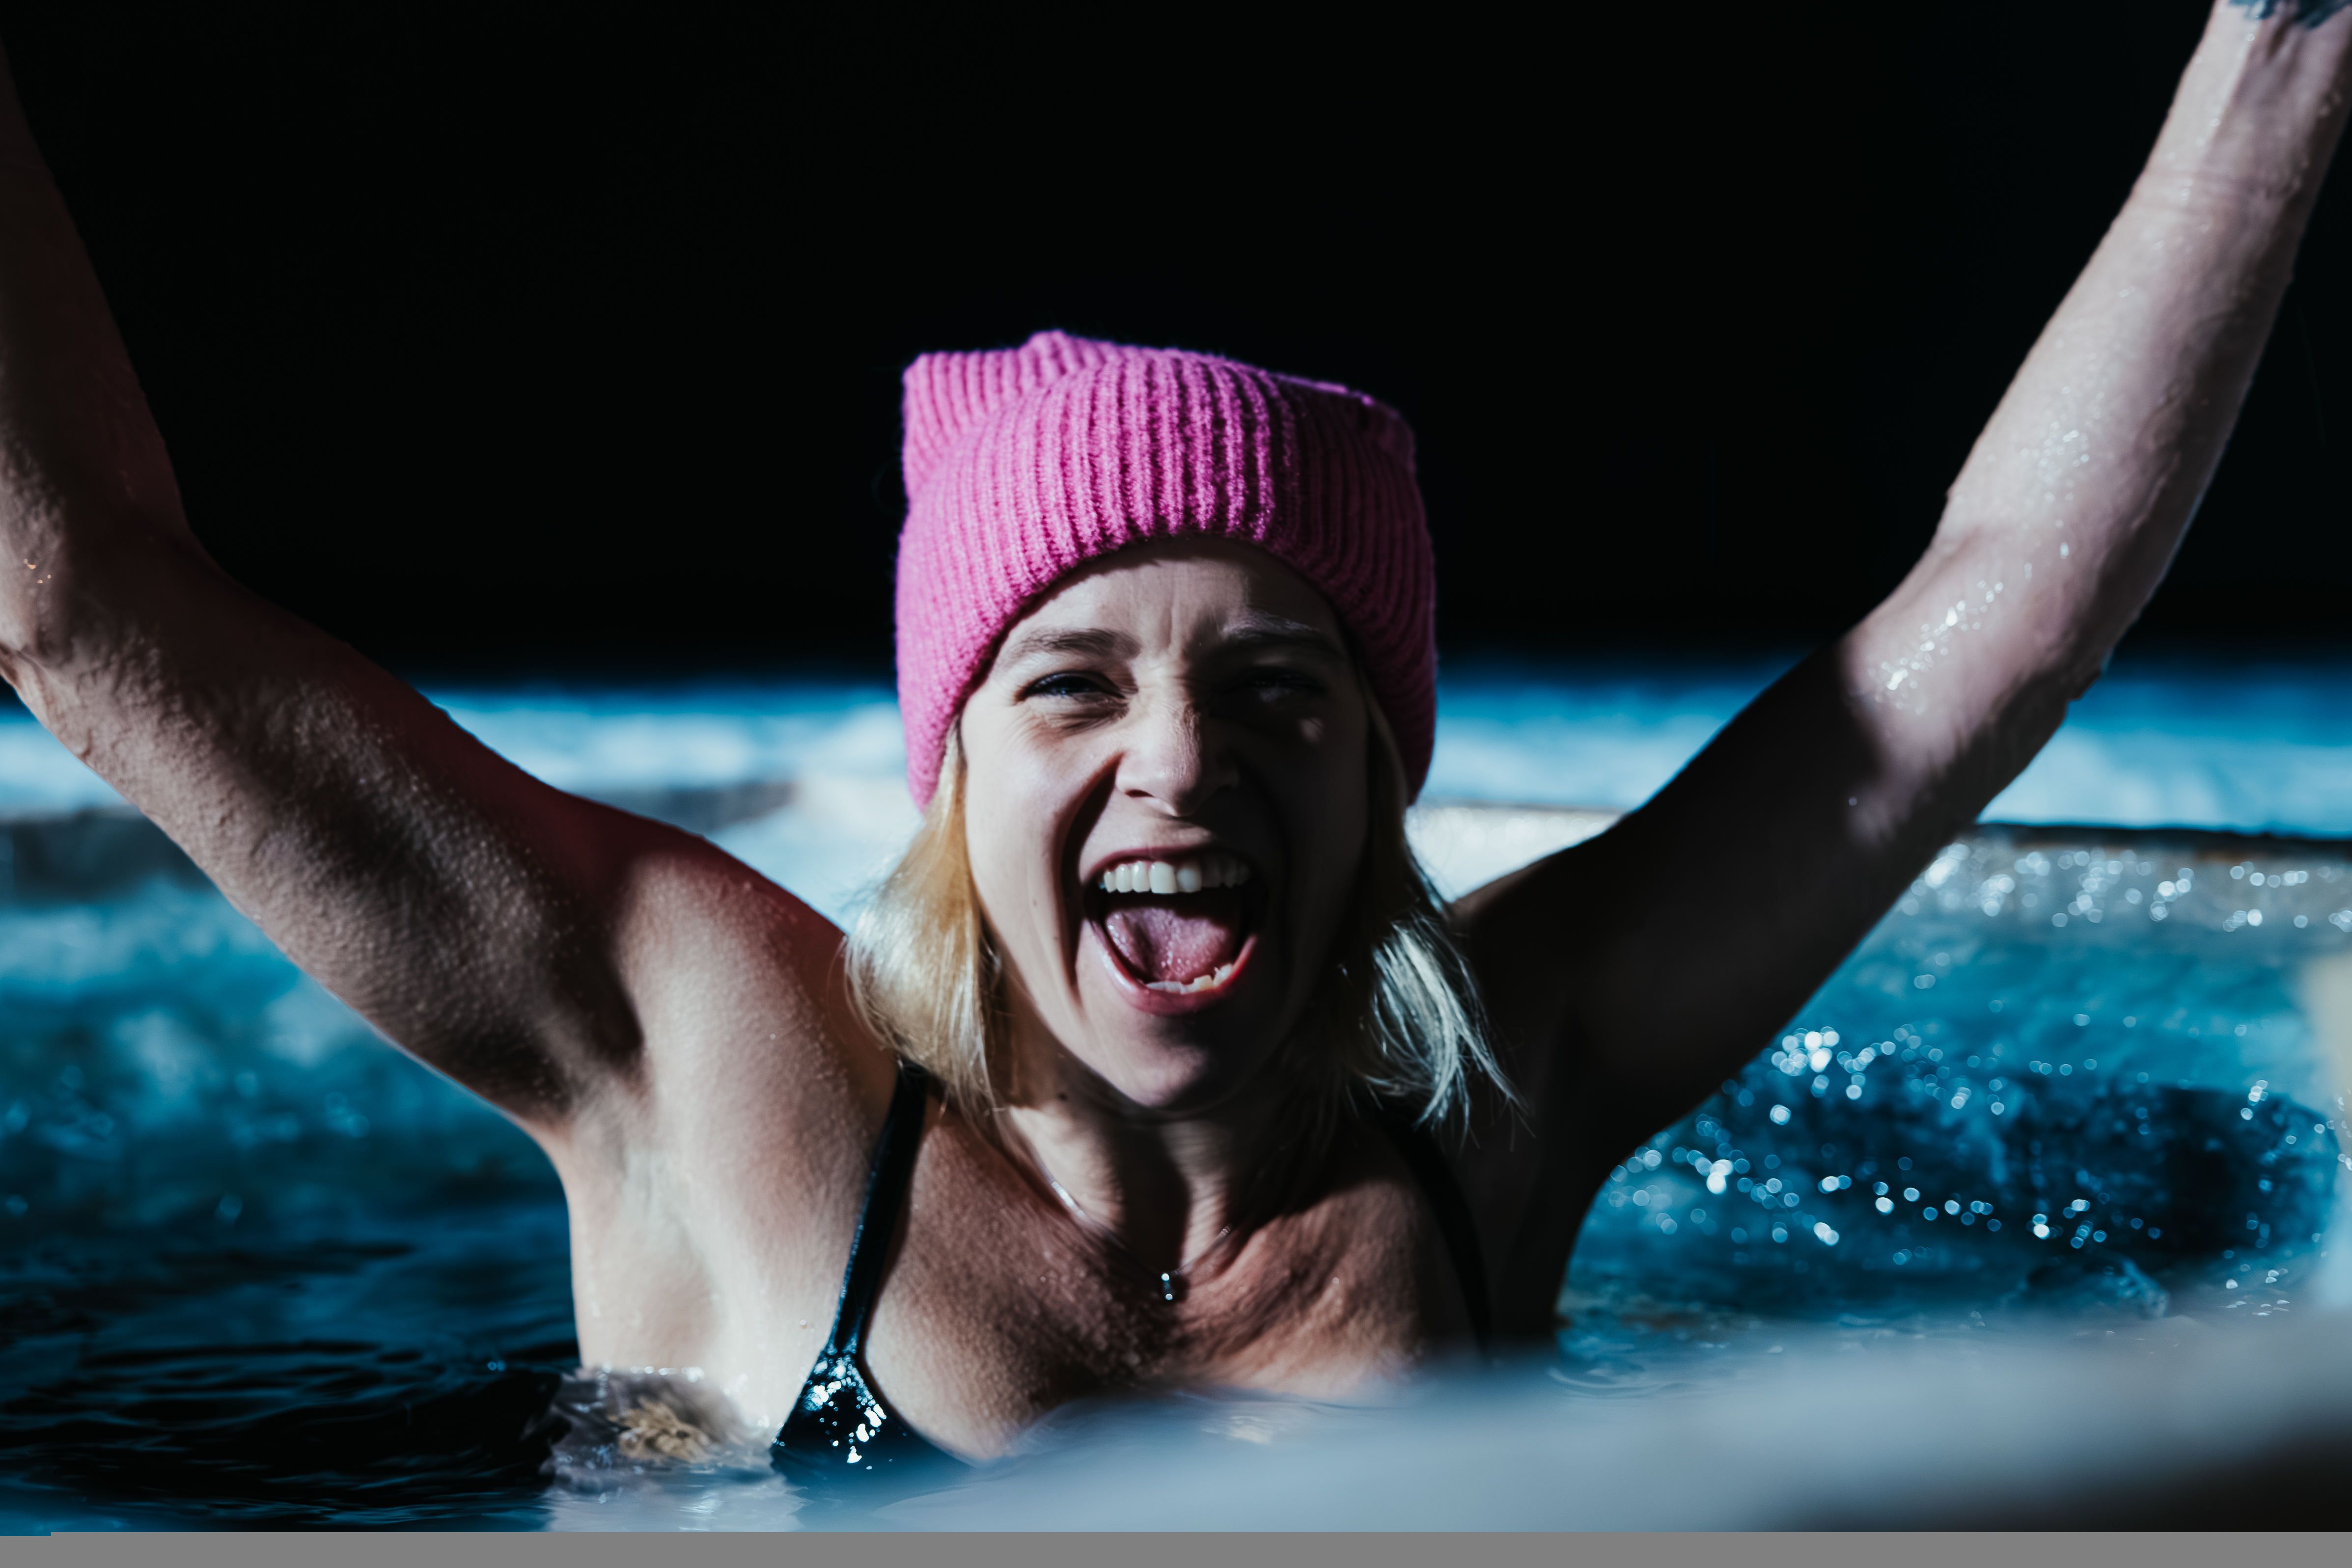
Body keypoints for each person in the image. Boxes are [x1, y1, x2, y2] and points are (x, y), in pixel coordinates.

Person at [1, 0, 2345, 1475]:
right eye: (1073, 682)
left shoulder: (1489, 1098)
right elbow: (83, 598)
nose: (1177, 765)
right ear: (954, 774)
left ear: (1378, 772)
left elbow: (2002, 618)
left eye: (1274, 687)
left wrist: (2283, 36)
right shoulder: (716, 1053)